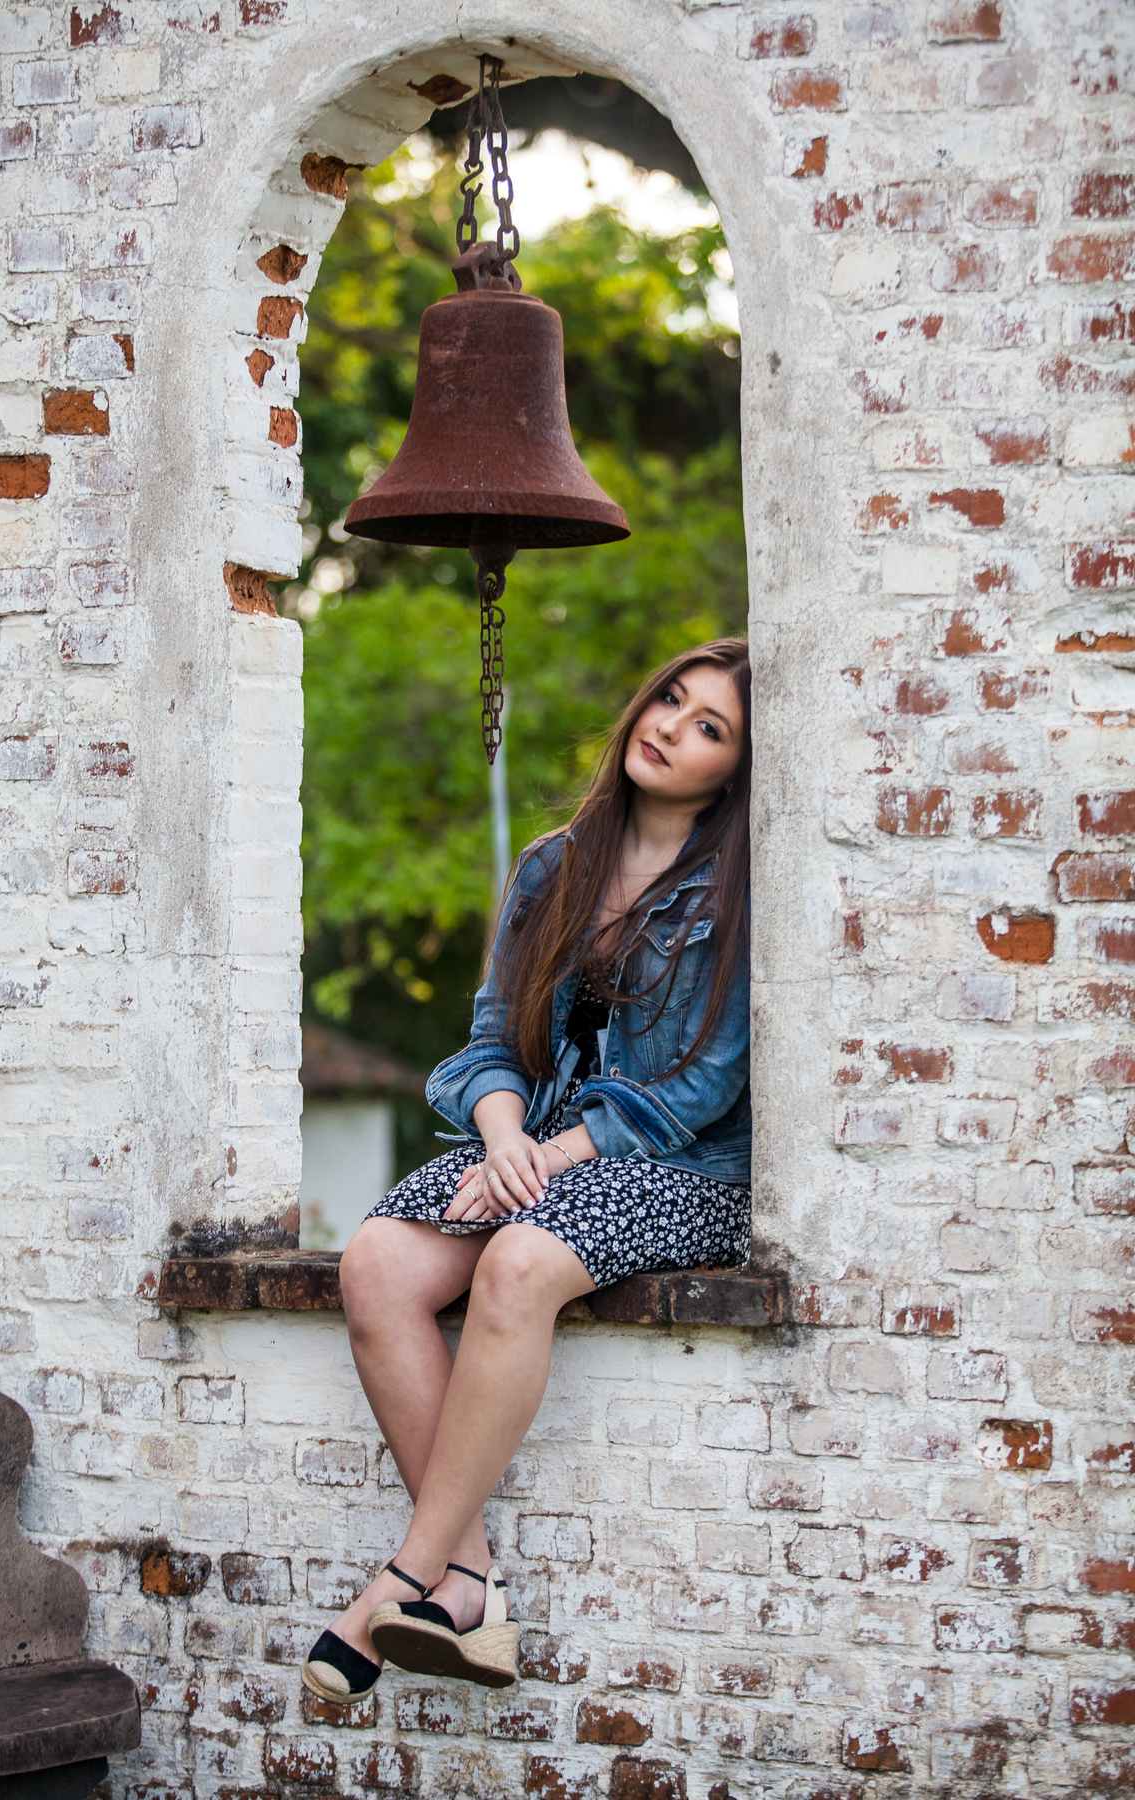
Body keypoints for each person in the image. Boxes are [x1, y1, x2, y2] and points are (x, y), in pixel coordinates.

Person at [301, 637, 753, 1704]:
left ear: (731, 772)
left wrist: (545, 1162)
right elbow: (492, 1036)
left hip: (670, 1164)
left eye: (709, 729)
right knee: (374, 1263)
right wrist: (506, 1140)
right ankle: (470, 1583)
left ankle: (402, 1581)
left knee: (514, 1267)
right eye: (671, 699)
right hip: (536, 1148)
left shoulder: (738, 890)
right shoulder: (553, 864)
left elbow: (702, 1087)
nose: (670, 726)